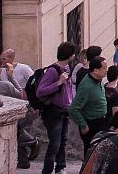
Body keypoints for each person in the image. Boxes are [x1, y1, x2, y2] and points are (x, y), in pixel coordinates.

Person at [36, 41, 78, 174]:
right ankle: (47, 171)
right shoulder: (52, 71)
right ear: (71, 56)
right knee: (54, 143)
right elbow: (40, 91)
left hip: (64, 110)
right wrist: (58, 82)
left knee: (63, 141)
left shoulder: (67, 68)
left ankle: (60, 167)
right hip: (53, 112)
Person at [70, 56, 111, 154]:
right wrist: (83, 125)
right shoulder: (86, 86)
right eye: (104, 68)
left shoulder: (98, 80)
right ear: (96, 70)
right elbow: (73, 109)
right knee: (90, 154)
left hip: (101, 121)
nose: (106, 70)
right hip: (91, 124)